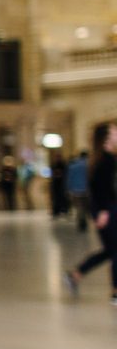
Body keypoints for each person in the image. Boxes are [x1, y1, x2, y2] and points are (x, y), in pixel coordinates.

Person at [65, 124, 117, 302]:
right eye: (114, 131)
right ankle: (115, 291)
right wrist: (103, 211)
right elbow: (102, 188)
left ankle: (76, 275)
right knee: (115, 250)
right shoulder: (107, 159)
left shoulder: (100, 159)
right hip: (107, 209)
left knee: (110, 250)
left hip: (104, 208)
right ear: (106, 138)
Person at [68, 150, 90, 232]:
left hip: (76, 190)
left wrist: (69, 189)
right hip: (87, 190)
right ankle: (83, 220)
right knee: (84, 206)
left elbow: (69, 179)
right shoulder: (89, 165)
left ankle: (81, 220)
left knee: (79, 207)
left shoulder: (73, 166)